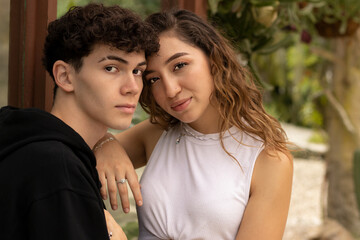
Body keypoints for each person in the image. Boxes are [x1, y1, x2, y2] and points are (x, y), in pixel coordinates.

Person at [95, 9, 293, 240]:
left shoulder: (269, 160)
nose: (170, 90)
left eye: (179, 65)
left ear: (213, 59)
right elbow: (71, 159)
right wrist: (105, 143)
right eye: (154, 79)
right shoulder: (158, 132)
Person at [0, 3, 158, 240]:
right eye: (112, 68)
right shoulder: (58, 169)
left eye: (137, 71)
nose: (132, 88)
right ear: (65, 76)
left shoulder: (35, 148)